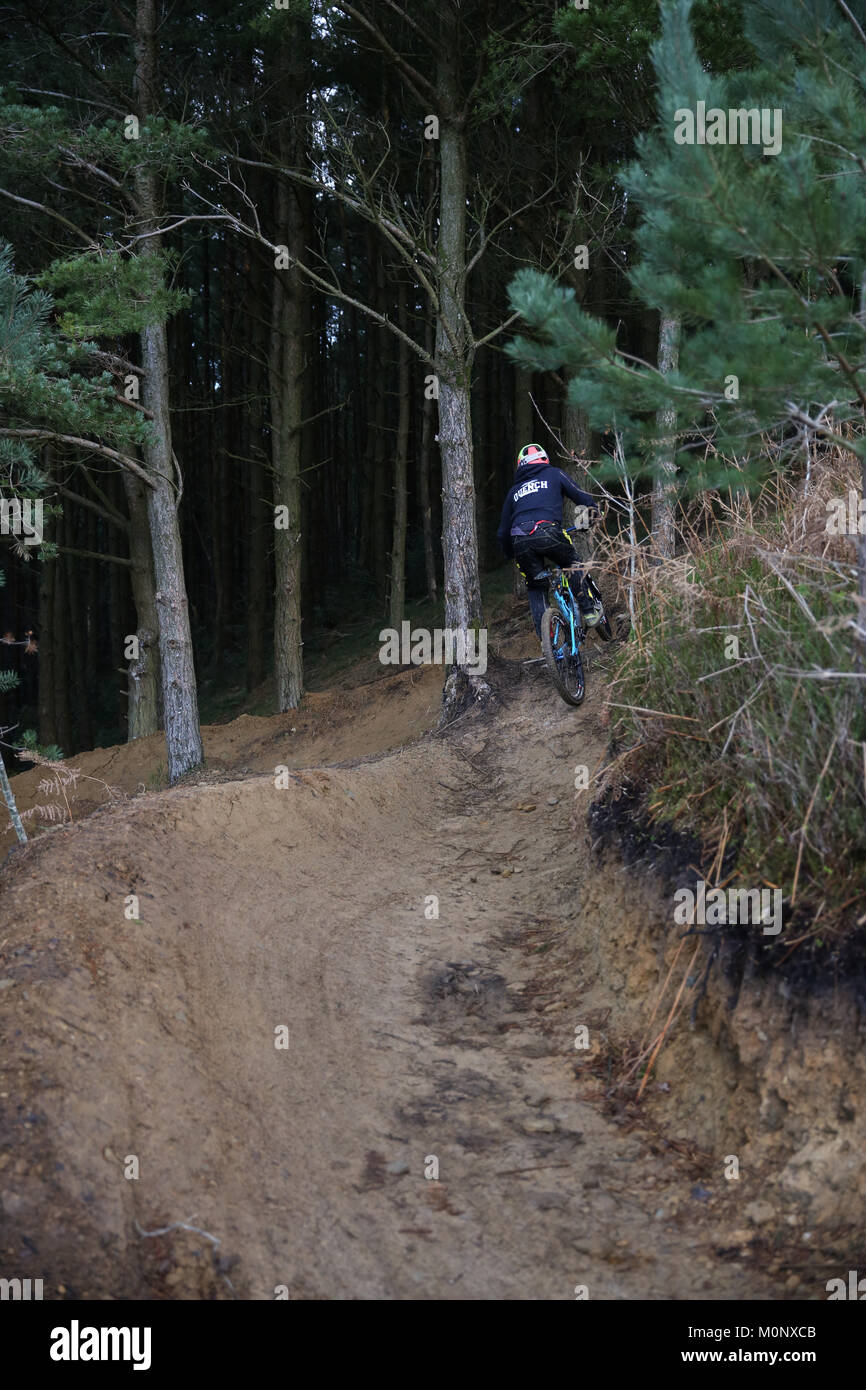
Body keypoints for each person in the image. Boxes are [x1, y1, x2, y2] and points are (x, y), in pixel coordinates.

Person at [497, 442, 602, 639]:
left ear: (520, 465)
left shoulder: (514, 491)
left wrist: (511, 553)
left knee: (535, 587)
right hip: (548, 532)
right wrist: (594, 512)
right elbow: (580, 496)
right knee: (571, 564)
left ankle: (548, 642)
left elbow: (502, 532)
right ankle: (588, 611)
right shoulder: (554, 474)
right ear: (544, 459)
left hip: (520, 540)